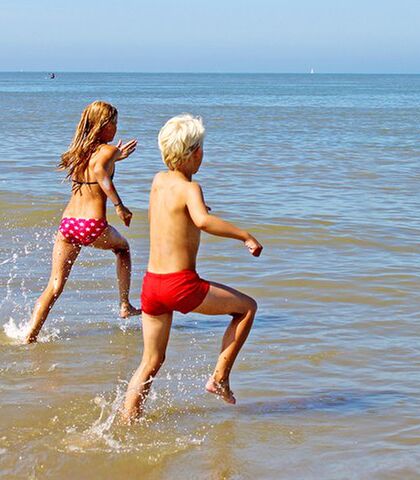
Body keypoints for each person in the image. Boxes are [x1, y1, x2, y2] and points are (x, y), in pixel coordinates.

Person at [122, 114, 263, 421]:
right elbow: (201, 221)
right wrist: (245, 236)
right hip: (180, 285)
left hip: (152, 285)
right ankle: (220, 377)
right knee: (247, 308)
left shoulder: (159, 181)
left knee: (150, 361)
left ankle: (127, 421)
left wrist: (196, 209)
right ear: (195, 153)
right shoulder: (191, 188)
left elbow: (174, 213)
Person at [25, 101, 140, 343]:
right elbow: (100, 171)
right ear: (103, 125)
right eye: (114, 123)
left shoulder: (79, 153)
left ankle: (29, 336)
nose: (116, 128)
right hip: (92, 225)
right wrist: (119, 205)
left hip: (68, 225)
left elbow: (96, 165)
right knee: (123, 249)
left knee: (54, 287)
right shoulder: (106, 152)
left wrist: (117, 157)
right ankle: (124, 304)